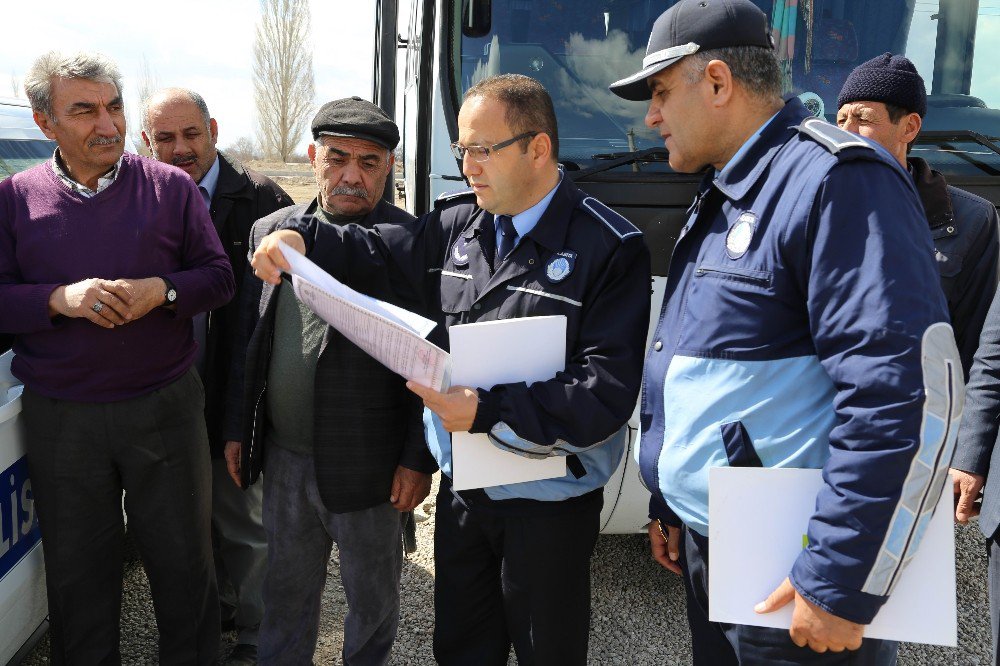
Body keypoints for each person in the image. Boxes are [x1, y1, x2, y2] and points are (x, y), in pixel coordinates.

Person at [249, 75, 651, 665]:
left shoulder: (608, 246)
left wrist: (488, 411)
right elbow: (379, 251)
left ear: (538, 149)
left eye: (483, 150)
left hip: (548, 499)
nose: (468, 167)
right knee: (461, 645)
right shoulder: (459, 225)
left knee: (547, 649)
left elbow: (606, 393)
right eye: (463, 150)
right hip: (468, 493)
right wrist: (298, 236)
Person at [608, 1, 961, 663]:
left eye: (658, 93)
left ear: (717, 83)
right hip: (723, 542)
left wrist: (840, 580)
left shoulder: (837, 181)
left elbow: (907, 395)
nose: (650, 116)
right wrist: (673, 501)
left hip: (795, 568)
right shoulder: (731, 188)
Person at [0, 51, 234, 663]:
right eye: (84, 111)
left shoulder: (171, 189)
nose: (108, 125)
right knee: (79, 577)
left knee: (185, 567)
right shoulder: (13, 200)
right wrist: (59, 299)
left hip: (164, 407)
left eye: (114, 107)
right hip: (61, 418)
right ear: (46, 123)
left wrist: (164, 291)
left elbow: (219, 278)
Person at [224, 97, 436, 665]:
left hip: (372, 468)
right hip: (287, 460)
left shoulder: (410, 243)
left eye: (369, 163)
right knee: (286, 596)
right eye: (338, 157)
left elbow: (428, 361)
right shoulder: (270, 231)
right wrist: (238, 429)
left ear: (389, 168)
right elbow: (249, 343)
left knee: (373, 602)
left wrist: (418, 459)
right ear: (313, 157)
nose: (351, 175)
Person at [142, 87, 291, 665]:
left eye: (191, 135)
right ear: (147, 144)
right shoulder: (138, 200)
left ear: (213, 130)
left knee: (243, 519)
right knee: (188, 524)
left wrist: (253, 405)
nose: (180, 150)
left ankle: (257, 633)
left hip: (234, 392)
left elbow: (276, 316)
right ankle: (221, 608)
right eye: (165, 139)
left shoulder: (259, 200)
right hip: (166, 396)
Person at [836, 53, 999, 379]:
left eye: (863, 119)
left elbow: (978, 353)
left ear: (909, 127)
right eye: (840, 120)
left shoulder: (972, 220)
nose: (846, 132)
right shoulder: (810, 205)